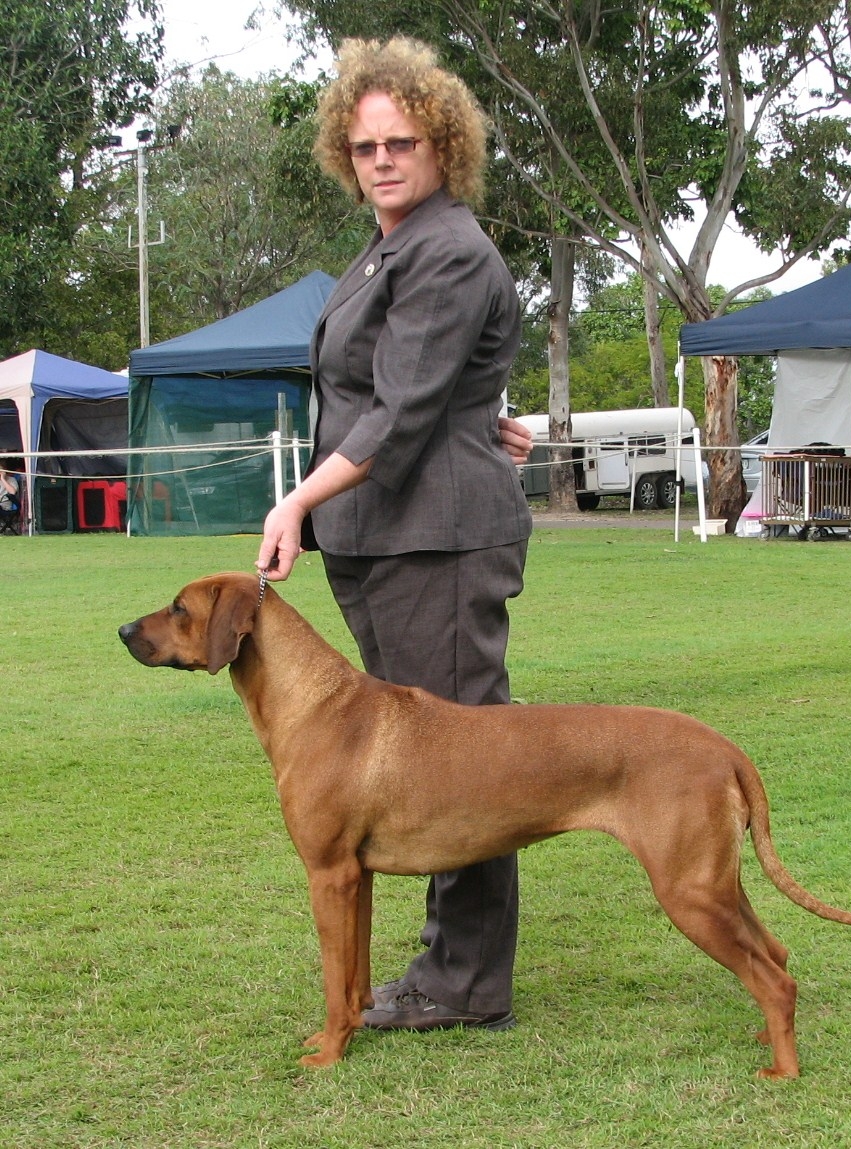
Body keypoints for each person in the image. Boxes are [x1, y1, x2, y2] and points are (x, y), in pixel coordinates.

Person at [256, 37, 534, 1034]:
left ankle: (464, 981)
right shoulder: (390, 246)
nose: (381, 159)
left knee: (462, 762)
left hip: (435, 538)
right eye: (364, 144)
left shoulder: (446, 248)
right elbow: (413, 388)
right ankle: (445, 964)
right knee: (421, 764)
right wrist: (481, 416)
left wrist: (294, 501)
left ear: (442, 146)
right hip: (384, 533)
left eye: (401, 142)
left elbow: (400, 411)